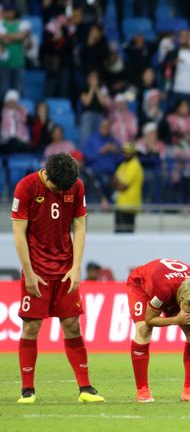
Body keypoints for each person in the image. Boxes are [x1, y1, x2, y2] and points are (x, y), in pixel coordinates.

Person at [11, 153, 104, 403]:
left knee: (72, 324)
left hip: (65, 271)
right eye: (57, 187)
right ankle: (27, 390)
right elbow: (18, 233)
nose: (62, 191)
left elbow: (80, 226)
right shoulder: (26, 187)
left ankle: (85, 389)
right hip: (37, 271)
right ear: (47, 175)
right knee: (31, 326)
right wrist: (28, 272)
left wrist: (76, 267)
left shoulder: (76, 185)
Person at [126, 258, 190, 402]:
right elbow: (150, 319)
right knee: (144, 330)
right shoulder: (163, 289)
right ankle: (142, 391)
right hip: (141, 284)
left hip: (173, 287)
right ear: (182, 300)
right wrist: (176, 320)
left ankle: (189, 391)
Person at [113, 142, 144, 233]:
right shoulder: (123, 165)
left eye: (128, 152)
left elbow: (122, 186)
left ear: (133, 153)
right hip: (121, 204)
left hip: (129, 205)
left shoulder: (134, 165)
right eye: (124, 152)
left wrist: (117, 183)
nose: (126, 154)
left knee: (126, 235)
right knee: (118, 233)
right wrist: (118, 183)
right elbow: (113, 181)